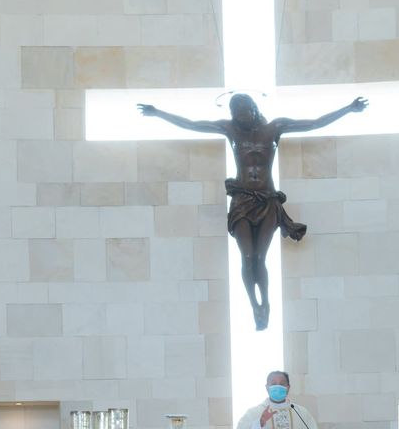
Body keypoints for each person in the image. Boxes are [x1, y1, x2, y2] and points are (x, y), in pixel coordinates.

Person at [138, 94, 367, 330]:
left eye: (243, 112)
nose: (239, 117)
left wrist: (349, 109)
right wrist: (158, 113)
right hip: (242, 200)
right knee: (247, 257)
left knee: (260, 258)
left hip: (267, 201)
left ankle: (266, 302)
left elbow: (314, 123)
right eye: (235, 113)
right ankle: (254, 305)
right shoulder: (231, 130)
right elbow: (192, 125)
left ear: (254, 110)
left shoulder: (275, 128)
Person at [236, 370, 317, 429]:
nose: (278, 386)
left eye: (282, 384)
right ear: (267, 388)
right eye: (273, 384)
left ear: (288, 387)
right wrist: (260, 423)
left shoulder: (301, 413)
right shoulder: (253, 413)